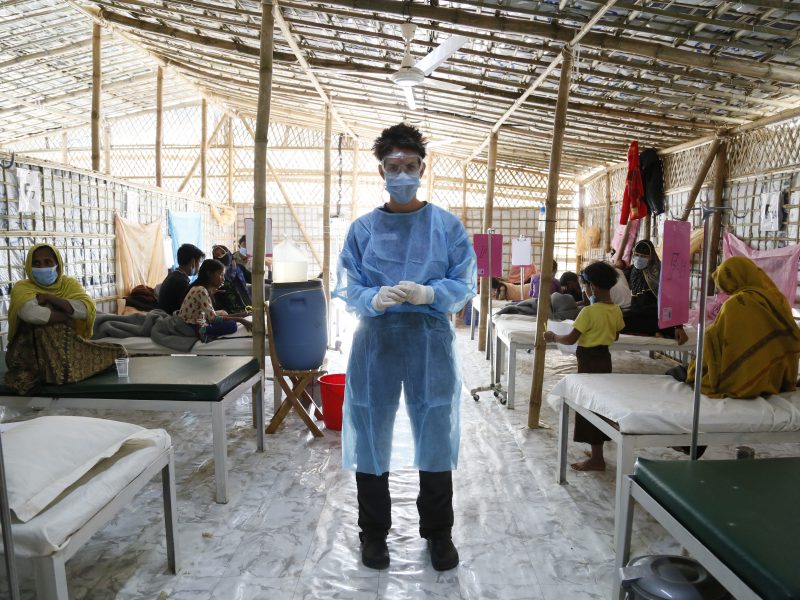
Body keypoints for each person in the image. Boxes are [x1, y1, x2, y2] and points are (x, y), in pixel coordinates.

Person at [333, 123, 476, 572]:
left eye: (409, 166)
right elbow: (347, 284)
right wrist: (370, 299)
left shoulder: (446, 227)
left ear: (422, 168)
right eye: (393, 166)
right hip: (375, 343)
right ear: (381, 170)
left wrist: (430, 294)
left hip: (429, 343)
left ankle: (439, 533)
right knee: (371, 435)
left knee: (434, 433)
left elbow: (464, 281)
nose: (401, 173)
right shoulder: (363, 229)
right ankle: (373, 533)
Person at [5, 243, 125, 394]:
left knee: (119, 352)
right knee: (46, 325)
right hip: (29, 357)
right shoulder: (22, 288)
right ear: (29, 266)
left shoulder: (68, 284)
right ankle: (59, 371)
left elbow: (86, 309)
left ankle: (62, 369)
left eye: (48, 262)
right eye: (36, 263)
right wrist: (66, 312)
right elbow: (31, 314)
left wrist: (51, 299)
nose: (42, 267)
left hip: (67, 350)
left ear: (58, 264)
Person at [543, 261, 624, 471]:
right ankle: (597, 451)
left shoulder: (588, 312)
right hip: (605, 359)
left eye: (585, 287)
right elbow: (615, 335)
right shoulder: (615, 310)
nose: (585, 291)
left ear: (592, 287)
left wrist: (553, 337)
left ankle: (597, 459)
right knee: (600, 404)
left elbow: (570, 339)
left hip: (588, 361)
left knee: (588, 407)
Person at [685, 256, 800, 398]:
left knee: (683, 370)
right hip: (776, 379)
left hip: (741, 379)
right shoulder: (777, 298)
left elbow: (717, 340)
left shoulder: (737, 303)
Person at [621, 240, 688, 344]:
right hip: (637, 313)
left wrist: (679, 326)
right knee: (618, 321)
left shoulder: (661, 272)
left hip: (655, 315)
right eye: (636, 255)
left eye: (644, 256)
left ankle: (658, 331)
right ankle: (655, 332)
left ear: (651, 256)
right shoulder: (634, 270)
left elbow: (673, 299)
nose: (639, 258)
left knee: (659, 324)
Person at [178, 259, 252, 343]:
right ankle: (204, 331)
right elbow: (213, 319)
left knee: (223, 312)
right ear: (209, 274)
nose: (223, 279)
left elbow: (210, 315)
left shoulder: (201, 288)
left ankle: (207, 329)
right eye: (220, 275)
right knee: (232, 325)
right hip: (192, 326)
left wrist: (241, 315)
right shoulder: (201, 290)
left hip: (197, 319)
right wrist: (240, 319)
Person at [158, 243, 205, 315]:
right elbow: (189, 310)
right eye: (199, 263)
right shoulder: (181, 282)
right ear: (193, 262)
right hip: (172, 321)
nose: (199, 268)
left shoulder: (174, 275)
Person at [211, 244, 252, 313]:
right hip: (226, 313)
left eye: (223, 253)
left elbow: (254, 279)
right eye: (217, 255)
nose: (221, 256)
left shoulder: (239, 268)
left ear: (229, 253)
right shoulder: (214, 275)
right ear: (214, 259)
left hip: (247, 307)